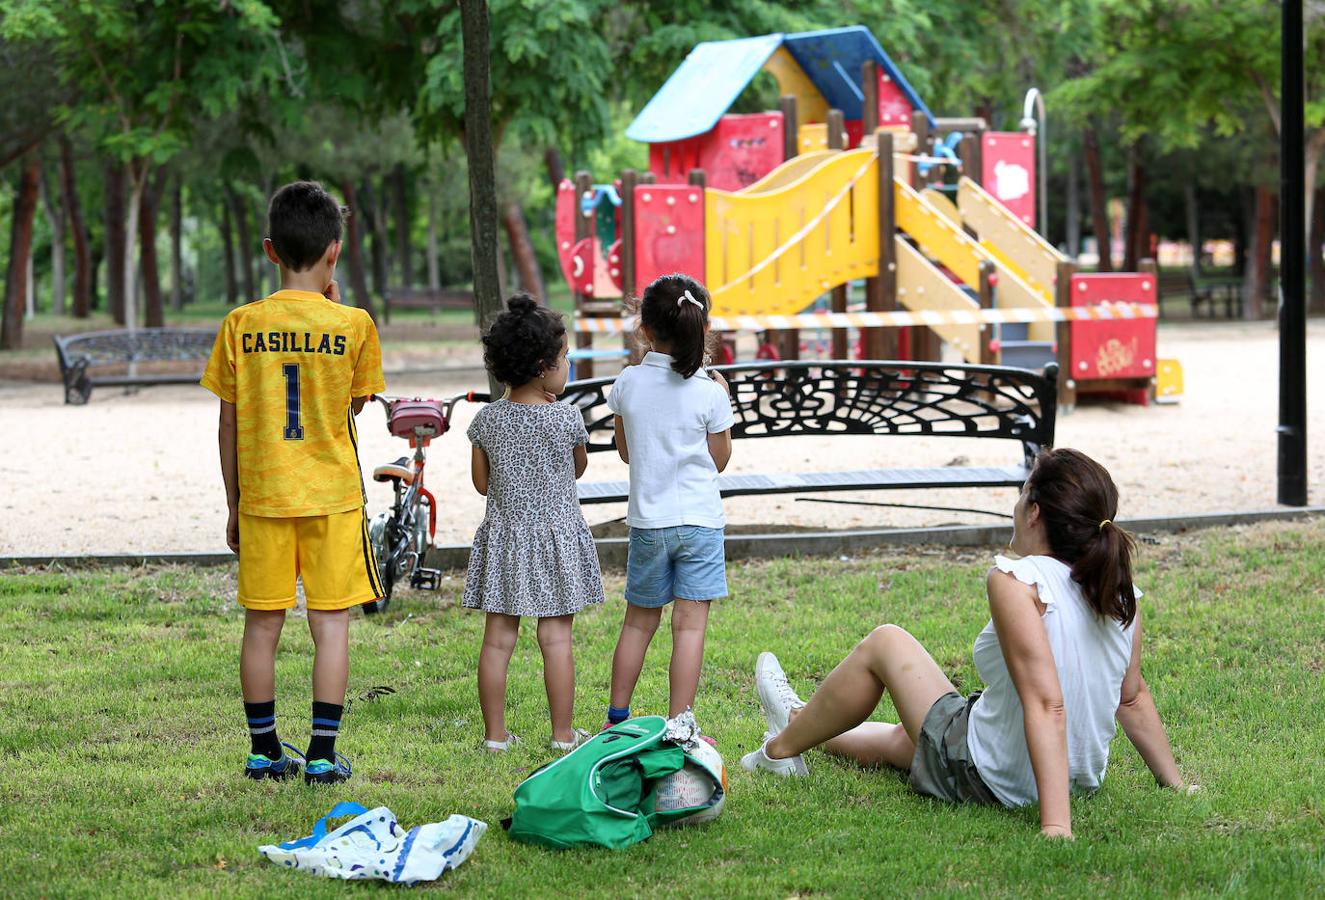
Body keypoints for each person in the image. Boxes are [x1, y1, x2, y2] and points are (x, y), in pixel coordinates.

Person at [742, 448, 1192, 838]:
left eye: (1022, 492)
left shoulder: (1018, 581)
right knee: (908, 741)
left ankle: (777, 752)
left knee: (887, 642)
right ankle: (799, 719)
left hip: (995, 775)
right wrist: (1175, 785)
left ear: (1034, 511)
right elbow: (1131, 699)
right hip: (1076, 779)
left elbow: (1045, 703)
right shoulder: (1119, 590)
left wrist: (1056, 826)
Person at [201, 181, 385, 785]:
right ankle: (324, 757)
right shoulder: (355, 324)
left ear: (269, 249)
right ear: (335, 250)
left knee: (262, 625)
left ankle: (262, 752)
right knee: (330, 625)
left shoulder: (239, 325)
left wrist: (233, 502)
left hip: (261, 495)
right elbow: (352, 408)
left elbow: (228, 420)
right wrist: (329, 311)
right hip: (332, 498)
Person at [464, 293, 605, 753]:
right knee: (556, 638)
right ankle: (563, 736)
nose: (568, 366)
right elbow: (577, 469)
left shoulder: (487, 420)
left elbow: (482, 484)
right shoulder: (566, 418)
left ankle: (495, 737)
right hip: (556, 540)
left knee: (498, 641)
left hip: (506, 540)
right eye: (565, 359)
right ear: (544, 365)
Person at [603, 274, 734, 728]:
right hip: (700, 523)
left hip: (649, 524)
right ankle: (681, 723)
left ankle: (617, 717)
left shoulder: (628, 384)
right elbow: (719, 460)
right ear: (701, 326)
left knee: (639, 623)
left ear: (645, 329)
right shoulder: (711, 392)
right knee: (690, 628)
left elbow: (625, 451)